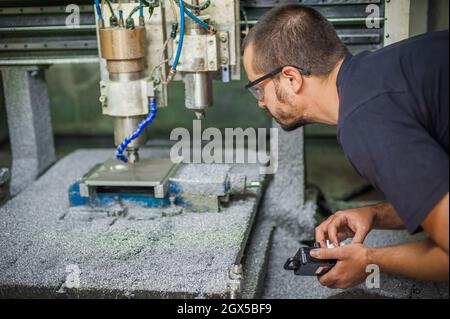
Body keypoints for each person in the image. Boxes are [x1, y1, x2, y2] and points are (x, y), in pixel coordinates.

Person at [242, 4, 449, 289]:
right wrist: (375, 214)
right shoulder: (378, 75)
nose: (260, 101)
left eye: (258, 87)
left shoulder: (363, 122)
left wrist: (371, 261)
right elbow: (438, 193)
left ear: (291, 78)